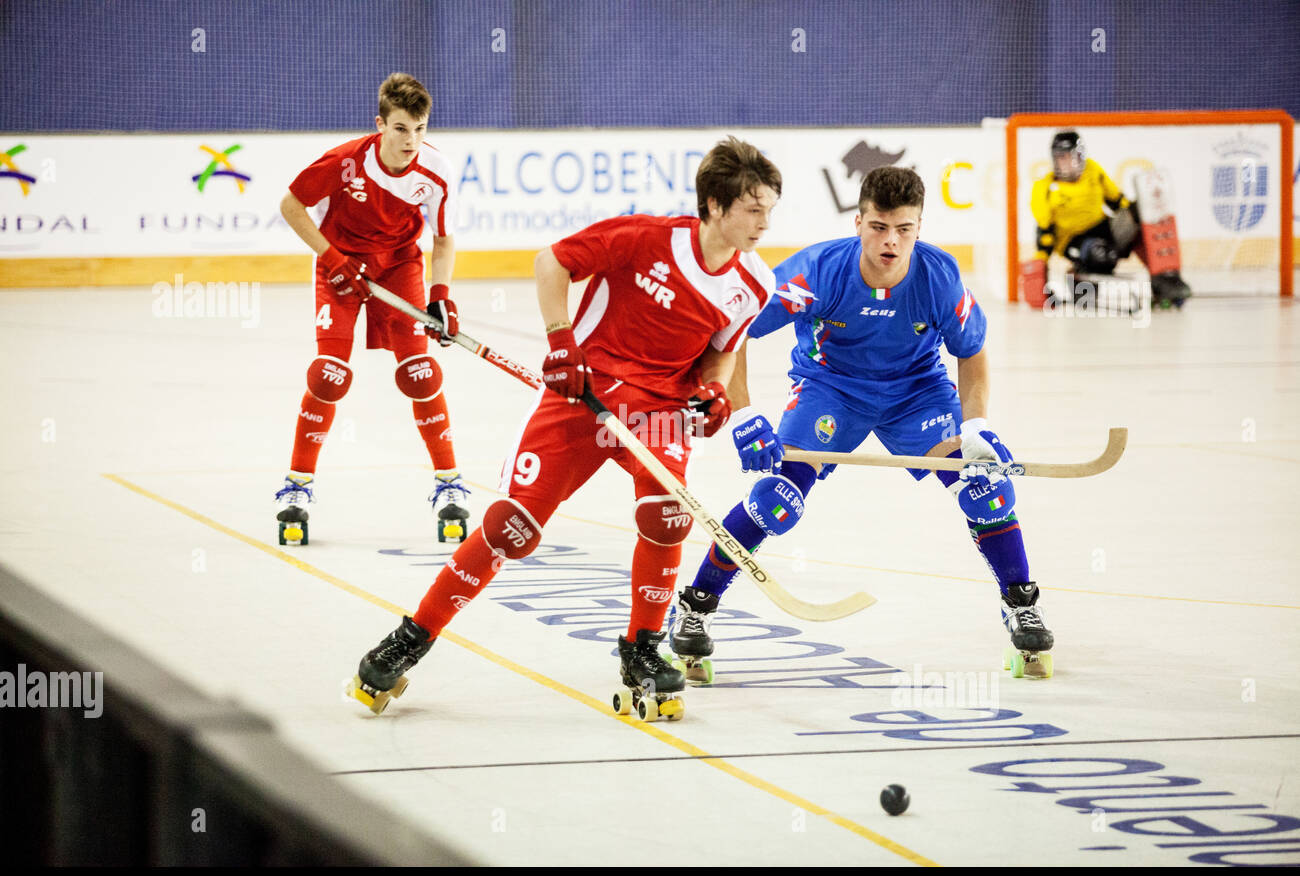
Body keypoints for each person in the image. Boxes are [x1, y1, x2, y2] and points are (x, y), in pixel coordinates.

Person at [345, 136, 782, 719]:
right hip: (586, 394)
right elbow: (552, 261)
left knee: (667, 516)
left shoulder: (753, 284)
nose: (763, 224)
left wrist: (710, 392)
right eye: (753, 210)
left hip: (657, 412)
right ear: (715, 206)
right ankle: (410, 638)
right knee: (511, 528)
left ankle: (642, 650)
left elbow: (720, 355)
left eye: (769, 210)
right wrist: (560, 341)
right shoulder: (644, 237)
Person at [671, 166, 1056, 680]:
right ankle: (695, 607)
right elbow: (734, 328)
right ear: (858, 222)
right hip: (831, 390)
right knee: (774, 502)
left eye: (904, 229)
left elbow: (973, 352)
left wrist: (977, 425)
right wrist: (742, 413)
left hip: (917, 394)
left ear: (920, 228)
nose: (890, 241)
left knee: (985, 491)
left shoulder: (938, 276)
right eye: (878, 227)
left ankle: (1020, 602)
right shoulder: (818, 272)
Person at [273, 72, 471, 546]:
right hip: (338, 267)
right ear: (380, 124)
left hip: (398, 267)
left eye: (420, 129)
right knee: (328, 376)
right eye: (401, 129)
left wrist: (441, 295)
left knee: (421, 373)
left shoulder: (437, 171)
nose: (411, 141)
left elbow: (442, 239)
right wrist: (332, 258)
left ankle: (449, 483)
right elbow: (291, 206)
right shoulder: (344, 162)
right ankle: (296, 489)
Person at [1023, 130, 1191, 308]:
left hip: (1104, 229)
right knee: (1102, 255)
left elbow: (1117, 200)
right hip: (1075, 241)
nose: (1066, 163)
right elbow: (1045, 234)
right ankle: (1079, 278)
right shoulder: (1044, 188)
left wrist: (1135, 217)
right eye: (1061, 158)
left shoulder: (1092, 170)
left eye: (1070, 157)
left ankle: (1165, 277)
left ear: (1080, 156)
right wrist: (1040, 270)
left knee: (1142, 213)